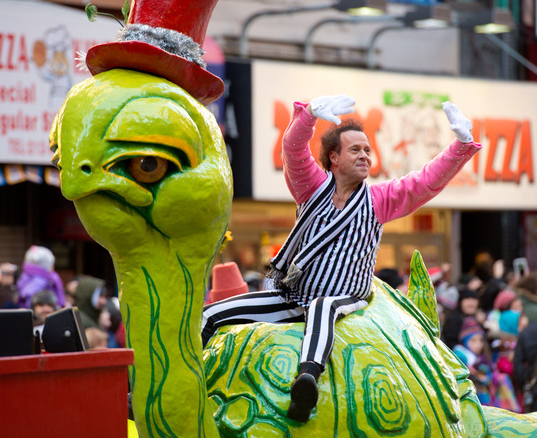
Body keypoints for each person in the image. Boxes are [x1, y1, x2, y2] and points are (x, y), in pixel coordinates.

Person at [201, 94, 481, 422]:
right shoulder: (310, 187)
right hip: (293, 296)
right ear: (333, 158)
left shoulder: (380, 199)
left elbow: (425, 182)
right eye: (355, 150)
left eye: (367, 150)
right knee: (210, 315)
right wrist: (306, 119)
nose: (365, 155)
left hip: (345, 297)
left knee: (323, 306)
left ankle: (307, 379)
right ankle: (183, 383)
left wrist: (460, 146)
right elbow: (292, 151)